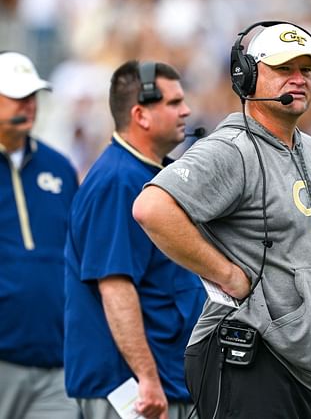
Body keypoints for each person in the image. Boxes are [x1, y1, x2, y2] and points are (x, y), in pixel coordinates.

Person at [132, 21, 311, 418]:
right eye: (284, 69)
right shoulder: (231, 149)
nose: (299, 79)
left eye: (306, 70)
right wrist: (226, 274)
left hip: (301, 372)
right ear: (246, 75)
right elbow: (152, 208)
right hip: (250, 356)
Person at [64, 60, 206, 419]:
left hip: (161, 381)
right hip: (135, 392)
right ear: (140, 115)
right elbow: (115, 286)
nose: (186, 110)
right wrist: (146, 377)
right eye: (173, 103)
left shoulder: (144, 172)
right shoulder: (119, 180)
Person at [0, 51, 80, 418]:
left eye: (32, 95)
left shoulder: (59, 167)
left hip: (56, 358)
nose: (29, 105)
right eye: (17, 96)